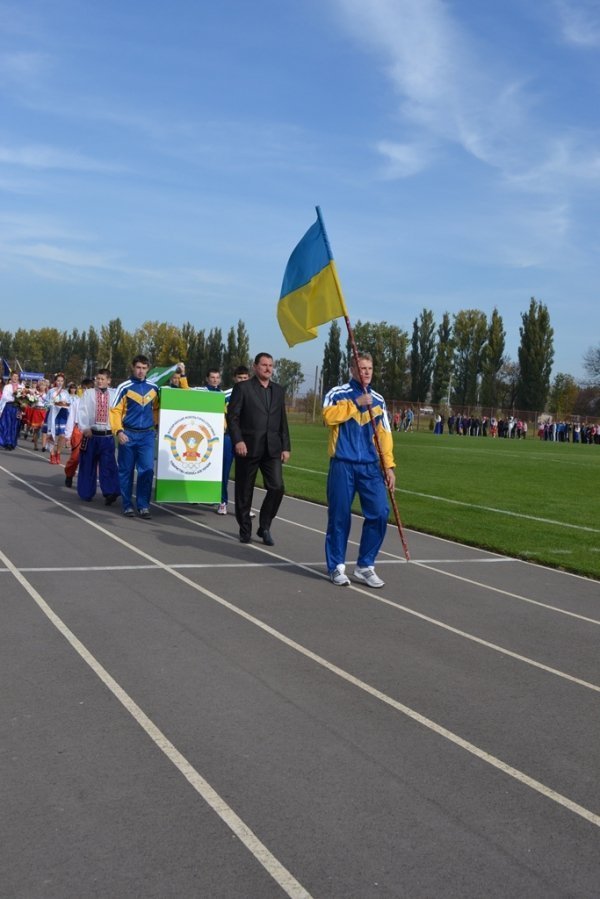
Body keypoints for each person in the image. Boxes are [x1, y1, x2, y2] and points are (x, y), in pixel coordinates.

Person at [322, 352, 395, 588]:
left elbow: (384, 436)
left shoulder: (379, 400)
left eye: (370, 368)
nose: (366, 372)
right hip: (343, 464)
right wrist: (355, 404)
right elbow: (327, 418)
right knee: (339, 515)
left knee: (380, 512)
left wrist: (389, 466)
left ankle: (365, 565)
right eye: (362, 368)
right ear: (353, 369)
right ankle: (336, 566)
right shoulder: (338, 393)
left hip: (370, 467)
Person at [226, 353, 291, 545]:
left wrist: (286, 446)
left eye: (271, 365)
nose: (268, 368)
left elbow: (282, 421)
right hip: (248, 447)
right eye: (264, 365)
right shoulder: (243, 388)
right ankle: (245, 528)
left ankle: (265, 526)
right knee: (244, 491)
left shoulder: (278, 390)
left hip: (272, 448)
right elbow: (233, 417)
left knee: (277, 487)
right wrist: (238, 440)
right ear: (255, 367)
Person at [110, 355, 159, 519]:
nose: (141, 371)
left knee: (147, 470)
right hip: (128, 434)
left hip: (147, 435)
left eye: (144, 368)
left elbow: (159, 409)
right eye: (138, 367)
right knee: (126, 471)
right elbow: (115, 411)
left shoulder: (154, 388)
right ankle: (127, 505)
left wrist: (158, 424)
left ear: (148, 369)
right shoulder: (124, 387)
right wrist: (119, 431)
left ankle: (143, 505)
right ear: (133, 367)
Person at [77, 368, 120, 504]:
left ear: (109, 380)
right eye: (98, 379)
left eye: (102, 379)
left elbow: (118, 412)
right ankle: (86, 492)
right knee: (88, 464)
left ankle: (110, 492)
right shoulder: (88, 394)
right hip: (92, 435)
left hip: (107, 436)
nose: (99, 381)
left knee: (108, 465)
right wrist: (85, 428)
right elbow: (82, 411)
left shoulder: (114, 394)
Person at [217, 365, 250, 515]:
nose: (242, 380)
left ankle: (244, 507)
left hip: (247, 439)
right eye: (239, 378)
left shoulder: (253, 394)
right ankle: (222, 502)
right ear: (234, 378)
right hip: (229, 437)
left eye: (245, 378)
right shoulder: (225, 395)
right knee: (224, 472)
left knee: (246, 475)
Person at [64, 378, 94, 487]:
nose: (85, 391)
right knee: (75, 457)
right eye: (84, 388)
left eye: (88, 388)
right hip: (78, 430)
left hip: (91, 432)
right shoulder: (76, 402)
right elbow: (71, 418)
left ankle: (85, 481)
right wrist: (68, 436)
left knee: (89, 459)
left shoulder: (95, 402)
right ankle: (69, 474)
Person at [45, 373, 71, 464]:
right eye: (58, 380)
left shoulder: (66, 392)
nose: (60, 382)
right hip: (53, 414)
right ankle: (52, 454)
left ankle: (58, 453)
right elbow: (46, 404)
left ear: (63, 382)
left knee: (62, 435)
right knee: (52, 434)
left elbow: (69, 403)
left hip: (62, 414)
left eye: (61, 381)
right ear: (55, 381)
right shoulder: (51, 391)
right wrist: (53, 405)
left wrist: (65, 403)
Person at [0, 371, 24, 450]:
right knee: (7, 425)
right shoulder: (7, 386)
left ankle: (12, 442)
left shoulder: (21, 387)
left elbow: (24, 398)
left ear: (18, 377)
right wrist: (14, 398)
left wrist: (22, 401)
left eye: (16, 376)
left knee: (15, 426)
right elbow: (4, 397)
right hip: (9, 407)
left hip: (17, 408)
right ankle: (6, 442)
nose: (15, 378)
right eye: (14, 376)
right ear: (11, 377)